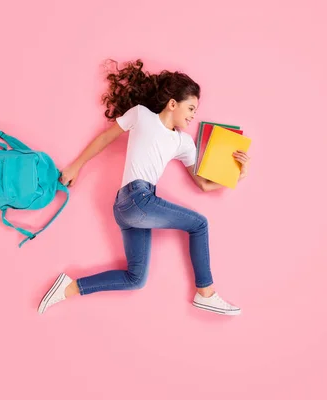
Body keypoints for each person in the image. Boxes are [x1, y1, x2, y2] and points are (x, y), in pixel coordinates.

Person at [38, 59, 251, 316]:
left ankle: (70, 287)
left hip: (135, 208)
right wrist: (76, 166)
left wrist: (236, 176)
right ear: (173, 103)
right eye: (191, 108)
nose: (193, 115)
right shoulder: (141, 115)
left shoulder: (183, 143)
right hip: (135, 199)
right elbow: (106, 137)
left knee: (135, 278)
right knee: (200, 224)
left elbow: (204, 185)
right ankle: (205, 293)